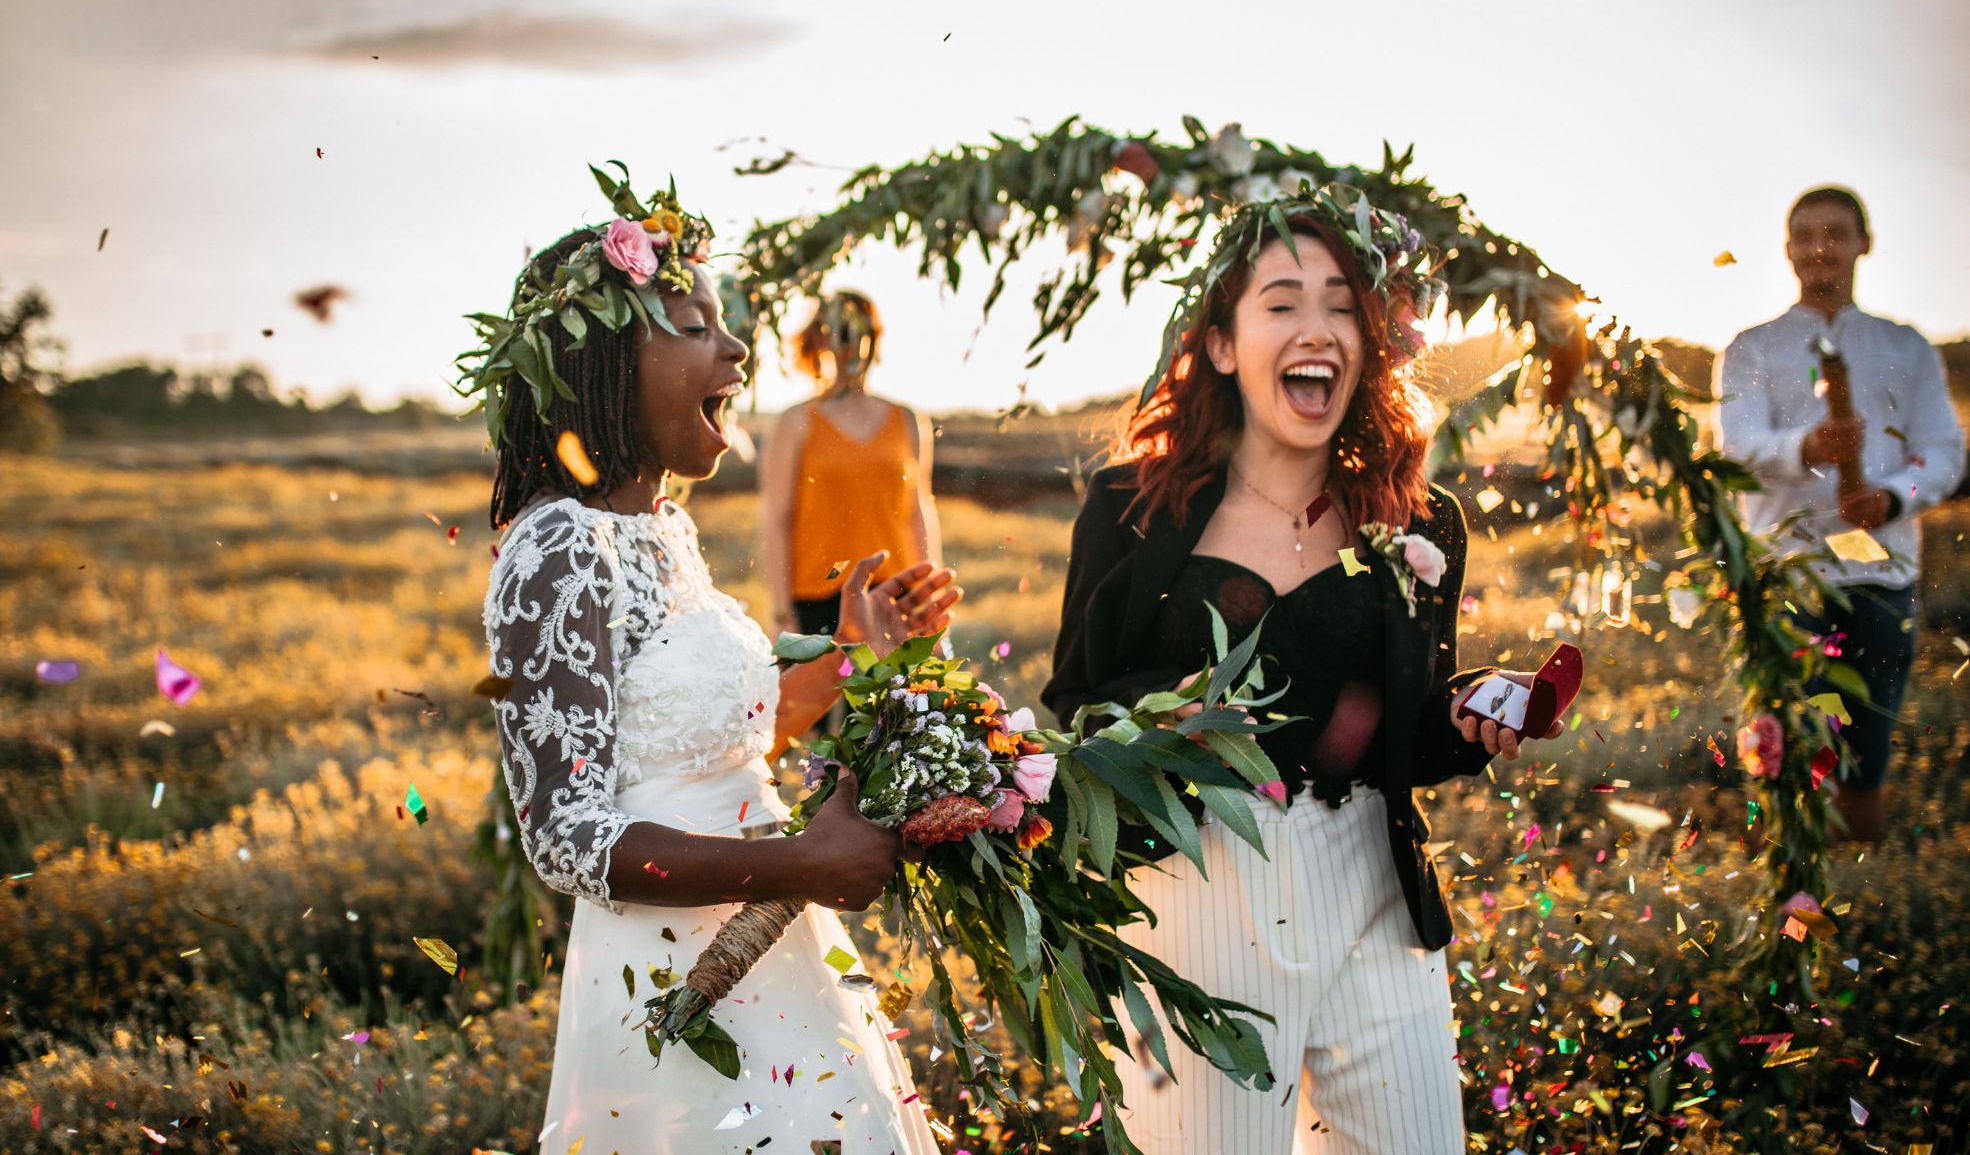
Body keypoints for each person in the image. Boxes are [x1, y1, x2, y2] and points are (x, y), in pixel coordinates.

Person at [1043, 186, 1566, 1155]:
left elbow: (1406, 728)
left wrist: (1468, 714)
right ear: (1219, 343)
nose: (1314, 326)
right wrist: (1178, 724)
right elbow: (1073, 707)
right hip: (1195, 887)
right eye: (1280, 301)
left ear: (1373, 343)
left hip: (1370, 884)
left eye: (1340, 303)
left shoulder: (1419, 521)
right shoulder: (1129, 510)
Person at [464, 167, 958, 1154]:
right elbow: (566, 837)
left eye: (724, 324)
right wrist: (801, 861)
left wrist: (861, 650)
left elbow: (736, 738)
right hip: (667, 973)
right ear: (601, 365)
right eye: (694, 328)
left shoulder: (664, 530)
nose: (735, 347)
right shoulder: (554, 546)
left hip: (773, 957)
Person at [1715, 185, 1964, 843]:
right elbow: (1736, 449)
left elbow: (1941, 450)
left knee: (1868, 740)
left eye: (1836, 233)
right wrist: (1806, 446)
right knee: (1785, 740)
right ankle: (1792, 891)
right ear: (1788, 250)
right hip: (1786, 570)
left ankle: (1861, 898)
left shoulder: (1906, 348)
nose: (1821, 247)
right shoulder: (1751, 348)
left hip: (1878, 568)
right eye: (1806, 235)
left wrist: (1890, 497)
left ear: (1864, 243)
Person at [761, 291, 941, 639]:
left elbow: (917, 513)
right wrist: (783, 614)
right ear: (822, 339)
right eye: (842, 331)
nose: (853, 344)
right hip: (817, 598)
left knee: (907, 695)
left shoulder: (906, 420)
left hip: (895, 597)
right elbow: (777, 519)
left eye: (863, 333)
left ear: (875, 340)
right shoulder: (795, 422)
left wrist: (929, 598)